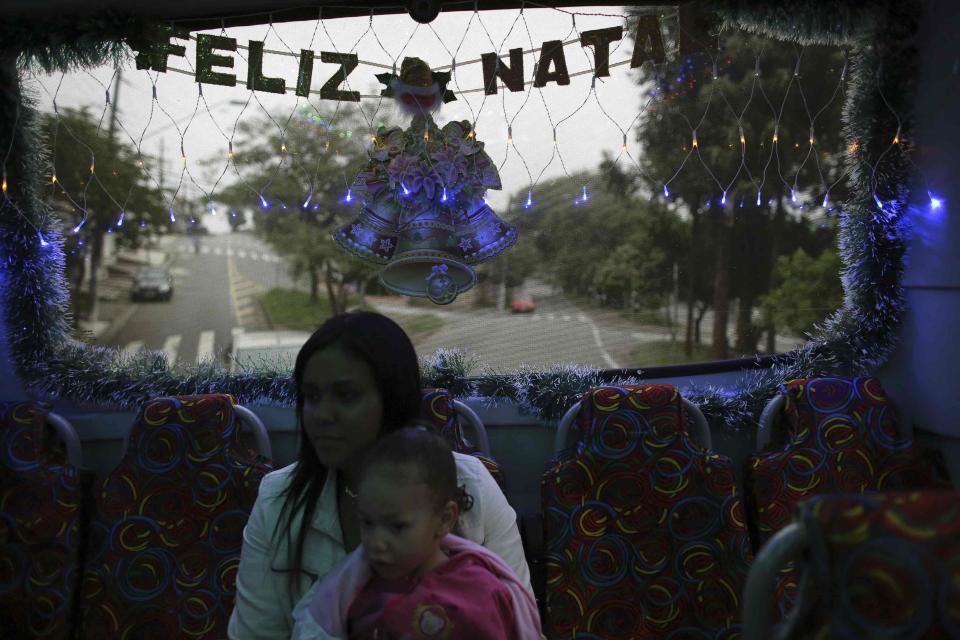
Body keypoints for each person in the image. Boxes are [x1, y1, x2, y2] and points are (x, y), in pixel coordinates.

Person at [228, 311, 532, 639]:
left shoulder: (469, 485)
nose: (321, 415)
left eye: (346, 396)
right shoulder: (279, 500)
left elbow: (519, 626)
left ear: (393, 399)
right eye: (311, 397)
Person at [291, 427, 541, 639]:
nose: (377, 543)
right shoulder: (355, 593)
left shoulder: (479, 594)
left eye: (397, 527)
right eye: (367, 523)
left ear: (444, 519)